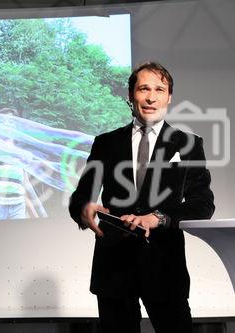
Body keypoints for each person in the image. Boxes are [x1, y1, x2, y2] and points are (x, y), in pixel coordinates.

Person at [69, 62, 215, 333]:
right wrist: (84, 208)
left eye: (159, 89)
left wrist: (159, 218)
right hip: (113, 266)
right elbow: (81, 197)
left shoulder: (189, 144)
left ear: (169, 96)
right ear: (130, 95)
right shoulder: (106, 143)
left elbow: (203, 203)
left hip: (164, 266)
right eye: (144, 88)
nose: (151, 97)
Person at [0, 107, 41, 221]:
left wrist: (39, 211)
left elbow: (25, 183)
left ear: (16, 127)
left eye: (11, 121)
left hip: (18, 205)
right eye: (2, 121)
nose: (6, 124)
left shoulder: (20, 152)